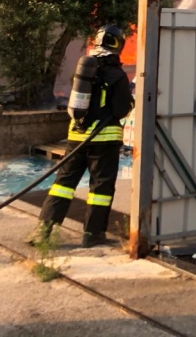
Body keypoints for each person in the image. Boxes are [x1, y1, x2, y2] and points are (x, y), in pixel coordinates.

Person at [29, 25, 134, 248]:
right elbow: (120, 110)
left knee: (63, 185)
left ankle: (44, 231)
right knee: (101, 189)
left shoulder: (86, 68)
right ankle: (92, 234)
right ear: (118, 44)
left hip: (77, 138)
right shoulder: (116, 74)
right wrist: (130, 100)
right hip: (104, 141)